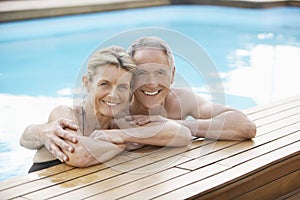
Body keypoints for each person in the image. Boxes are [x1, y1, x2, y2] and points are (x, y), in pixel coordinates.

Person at [20, 46, 191, 172]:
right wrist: (127, 144)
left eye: (123, 87)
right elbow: (80, 154)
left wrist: (124, 135)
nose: (113, 95)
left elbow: (182, 134)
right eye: (104, 84)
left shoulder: (119, 124)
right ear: (87, 83)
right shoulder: (65, 114)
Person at [126, 36, 256, 140]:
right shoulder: (116, 104)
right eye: (141, 73)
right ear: (129, 76)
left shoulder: (181, 100)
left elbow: (246, 126)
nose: (152, 83)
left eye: (161, 72)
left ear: (172, 75)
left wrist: (168, 124)